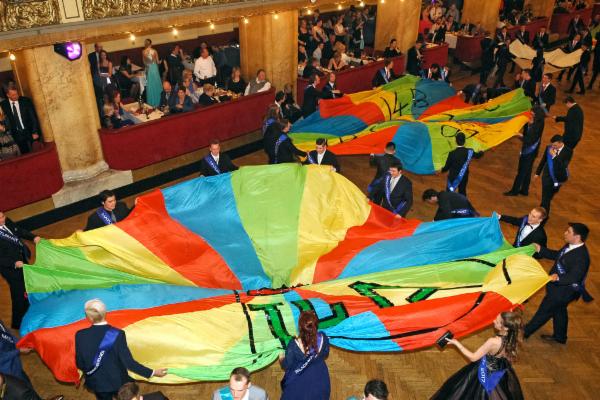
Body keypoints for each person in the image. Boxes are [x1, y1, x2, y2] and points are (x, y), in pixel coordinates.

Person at [75, 299, 168, 400]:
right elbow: (129, 363)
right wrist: (152, 372)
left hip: (97, 383)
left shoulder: (80, 335)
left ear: (88, 316)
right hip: (119, 383)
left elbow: (80, 363)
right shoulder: (117, 334)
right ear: (105, 312)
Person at [430, 311, 525, 399]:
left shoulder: (493, 342)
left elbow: (473, 357)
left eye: (497, 321)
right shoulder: (513, 337)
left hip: (484, 372)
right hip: (500, 371)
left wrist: (457, 343)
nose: (494, 321)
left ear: (505, 327)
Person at [524, 223, 592, 344]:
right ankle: (560, 337)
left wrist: (558, 279)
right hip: (559, 291)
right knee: (559, 310)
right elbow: (558, 256)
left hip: (562, 293)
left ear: (577, 237)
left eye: (568, 232)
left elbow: (574, 277)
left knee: (544, 312)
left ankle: (525, 332)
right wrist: (541, 249)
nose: (565, 233)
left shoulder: (582, 257)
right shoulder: (570, 245)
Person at [0, 211, 40, 329]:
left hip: (22, 260)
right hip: (11, 269)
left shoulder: (6, 221)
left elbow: (19, 231)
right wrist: (14, 263)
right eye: (0, 218)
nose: (4, 219)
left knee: (27, 286)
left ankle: (30, 310)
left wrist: (33, 237)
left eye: (3, 216)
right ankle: (17, 323)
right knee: (18, 294)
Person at [279, 311, 330, 400]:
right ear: (316, 325)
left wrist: (281, 358)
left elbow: (287, 365)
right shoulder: (323, 337)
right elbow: (325, 354)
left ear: (300, 327)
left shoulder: (294, 344)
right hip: (319, 375)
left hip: (298, 378)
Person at [505, 109, 544, 196]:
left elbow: (528, 140)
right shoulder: (538, 122)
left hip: (529, 152)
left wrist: (520, 135)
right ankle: (525, 190)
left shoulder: (536, 127)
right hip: (532, 151)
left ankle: (514, 191)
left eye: (533, 115)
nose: (531, 116)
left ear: (537, 116)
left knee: (521, 171)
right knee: (527, 171)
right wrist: (529, 124)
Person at [534, 135, 573, 216]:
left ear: (560, 143)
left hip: (559, 178)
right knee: (546, 198)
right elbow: (543, 160)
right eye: (552, 145)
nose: (553, 147)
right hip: (547, 177)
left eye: (555, 145)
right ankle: (543, 216)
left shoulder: (568, 152)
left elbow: (563, 165)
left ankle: (542, 208)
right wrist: (537, 173)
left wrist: (554, 156)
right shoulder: (549, 148)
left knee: (548, 197)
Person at [0, 84, 41, 154]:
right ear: (8, 95)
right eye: (13, 95)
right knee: (24, 155)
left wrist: (35, 132)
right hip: (16, 136)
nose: (16, 96)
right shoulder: (3, 105)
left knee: (36, 154)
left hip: (30, 132)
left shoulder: (26, 101)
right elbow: (4, 120)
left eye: (17, 94)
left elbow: (33, 118)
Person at [440, 132, 483, 197]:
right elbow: (478, 155)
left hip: (453, 176)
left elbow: (447, 167)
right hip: (464, 176)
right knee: (462, 191)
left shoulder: (452, 153)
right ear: (465, 141)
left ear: (455, 141)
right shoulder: (470, 151)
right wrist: (481, 151)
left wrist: (441, 170)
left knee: (449, 192)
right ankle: (463, 202)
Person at [142, 39, 162, 108]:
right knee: (156, 83)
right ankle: (159, 101)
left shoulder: (143, 52)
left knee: (150, 85)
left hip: (148, 69)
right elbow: (158, 62)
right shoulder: (154, 51)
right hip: (154, 68)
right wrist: (160, 61)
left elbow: (144, 62)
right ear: (151, 44)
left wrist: (148, 65)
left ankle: (151, 102)